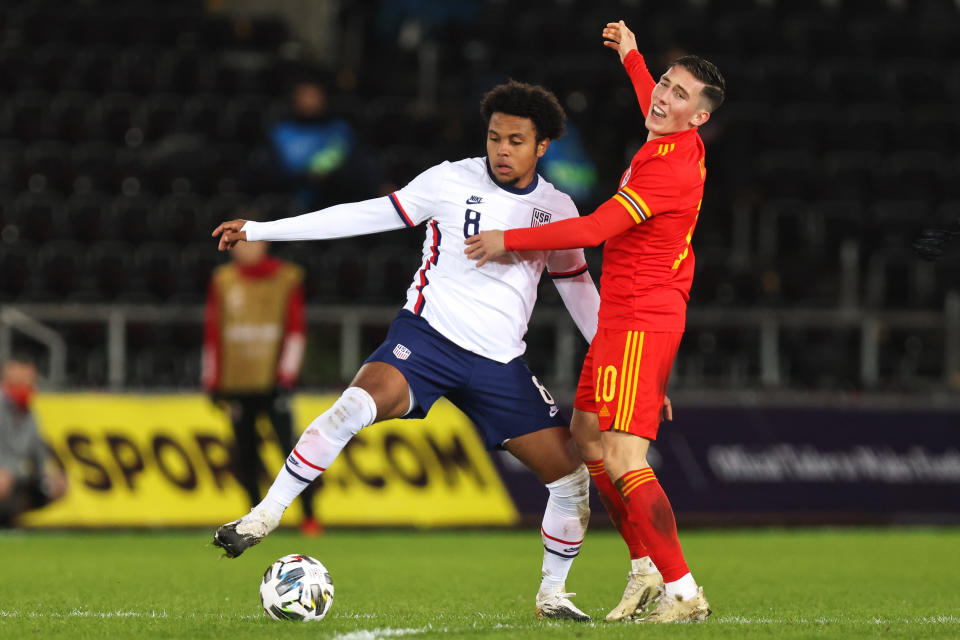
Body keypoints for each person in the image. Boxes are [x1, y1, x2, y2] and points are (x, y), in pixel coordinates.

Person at [212, 80, 602, 620]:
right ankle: (265, 515)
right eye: (494, 138)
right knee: (351, 407)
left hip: (500, 363)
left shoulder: (556, 207)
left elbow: (577, 284)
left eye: (516, 140)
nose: (502, 150)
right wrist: (261, 228)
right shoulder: (449, 180)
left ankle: (552, 595)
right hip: (427, 339)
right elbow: (360, 215)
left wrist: (616, 362)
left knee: (571, 479)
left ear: (543, 147)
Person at [464, 21, 726, 624]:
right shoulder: (670, 134)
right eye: (665, 83)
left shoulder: (671, 168)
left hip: (642, 317)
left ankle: (682, 590)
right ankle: (643, 567)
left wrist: (511, 238)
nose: (663, 97)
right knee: (586, 438)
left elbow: (593, 230)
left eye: (679, 95)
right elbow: (653, 104)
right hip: (622, 315)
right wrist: (634, 59)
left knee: (623, 454)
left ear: (699, 119)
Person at [202, 220, 321, 536]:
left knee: (291, 450)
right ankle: (253, 518)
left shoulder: (286, 278)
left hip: (273, 379)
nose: (242, 251)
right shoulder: (223, 280)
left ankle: (309, 515)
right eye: (236, 244)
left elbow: (296, 329)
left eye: (248, 242)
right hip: (237, 380)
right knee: (245, 453)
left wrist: (287, 374)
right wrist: (212, 380)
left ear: (264, 242)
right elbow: (214, 331)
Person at [270, 73, 391, 211]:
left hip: (336, 196)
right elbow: (276, 172)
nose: (310, 101)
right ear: (294, 99)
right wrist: (309, 176)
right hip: (295, 197)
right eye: (305, 95)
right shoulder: (282, 132)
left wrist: (380, 185)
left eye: (314, 95)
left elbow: (361, 162)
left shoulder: (339, 130)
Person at [0, 354, 67, 527]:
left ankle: (9, 521)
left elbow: (39, 453)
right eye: (21, 381)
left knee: (57, 485)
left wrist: (50, 475)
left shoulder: (29, 413)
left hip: (16, 475)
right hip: (4, 476)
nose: (28, 386)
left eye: (30, 381)